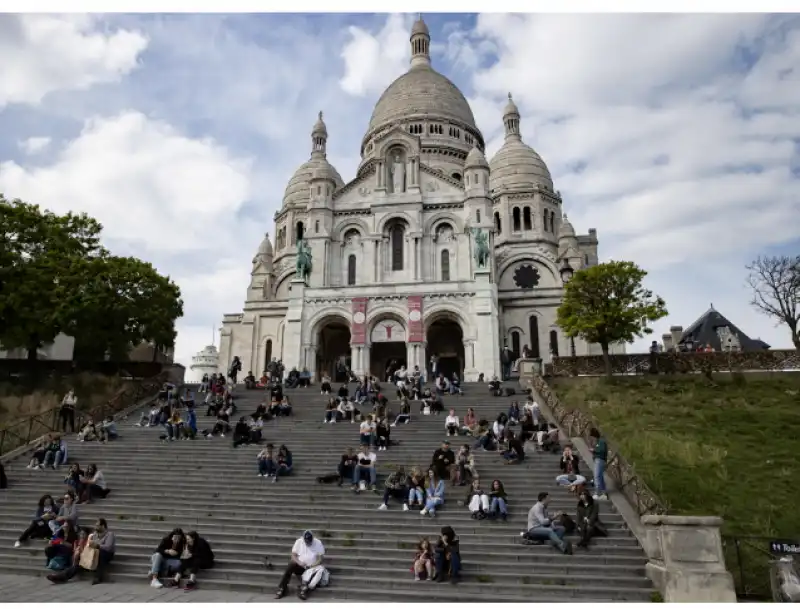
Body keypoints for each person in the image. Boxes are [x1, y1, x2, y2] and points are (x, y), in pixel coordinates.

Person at [47, 518, 116, 585]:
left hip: (106, 554)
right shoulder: (95, 534)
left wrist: (97, 545)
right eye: (96, 525)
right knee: (81, 561)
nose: (95, 527)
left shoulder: (109, 534)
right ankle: (62, 577)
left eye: (97, 526)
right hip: (94, 553)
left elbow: (108, 547)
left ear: (103, 526)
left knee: (101, 553)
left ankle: (98, 577)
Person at [275, 530, 326, 600]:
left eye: (309, 541)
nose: (308, 543)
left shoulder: (318, 543)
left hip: (312, 568)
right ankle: (282, 588)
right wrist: (299, 562)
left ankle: (303, 591)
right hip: (301, 567)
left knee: (317, 571)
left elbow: (320, 559)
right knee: (291, 564)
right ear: (303, 539)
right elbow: (293, 556)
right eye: (306, 541)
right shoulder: (299, 541)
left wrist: (312, 565)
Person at [589, 427, 609, 499]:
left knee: (596, 476)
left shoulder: (601, 442)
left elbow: (602, 451)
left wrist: (594, 450)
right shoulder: (598, 442)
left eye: (592, 437)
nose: (592, 439)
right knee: (600, 477)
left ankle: (597, 492)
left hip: (600, 460)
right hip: (598, 460)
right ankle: (603, 491)